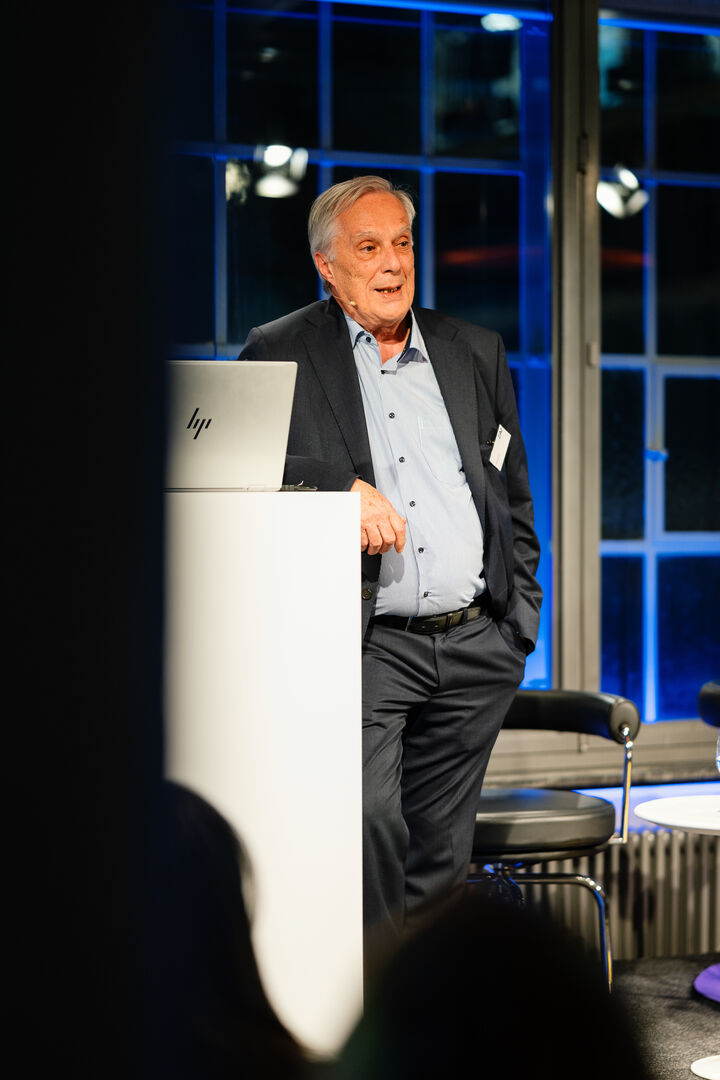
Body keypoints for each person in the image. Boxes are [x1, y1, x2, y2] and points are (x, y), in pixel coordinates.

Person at [238, 175, 542, 952]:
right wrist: (338, 487)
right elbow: (244, 467)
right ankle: (374, 1001)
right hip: (367, 644)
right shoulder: (279, 348)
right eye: (369, 247)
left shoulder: (475, 350)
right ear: (326, 265)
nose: (392, 263)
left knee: (441, 851)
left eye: (402, 243)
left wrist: (518, 625)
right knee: (370, 822)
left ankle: (425, 1010)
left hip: (476, 644)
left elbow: (510, 493)